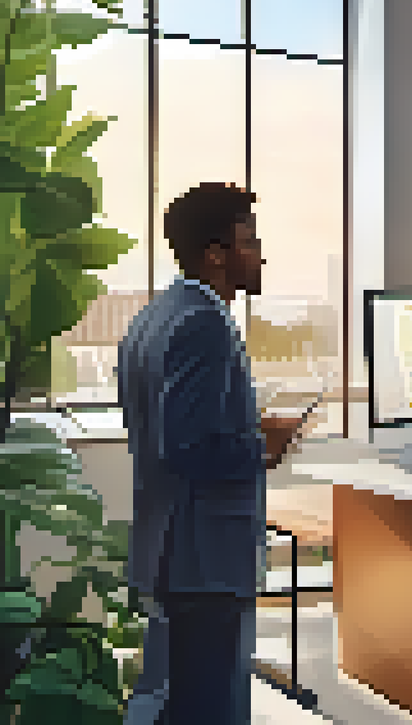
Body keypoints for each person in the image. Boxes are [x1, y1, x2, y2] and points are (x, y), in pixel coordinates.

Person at [121, 183, 310, 725]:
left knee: (166, 698)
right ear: (214, 253)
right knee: (208, 706)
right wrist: (262, 446)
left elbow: (166, 426)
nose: (260, 254)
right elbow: (184, 444)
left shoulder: (154, 316)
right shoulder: (204, 323)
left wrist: (244, 425)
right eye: (248, 241)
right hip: (204, 559)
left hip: (171, 550)